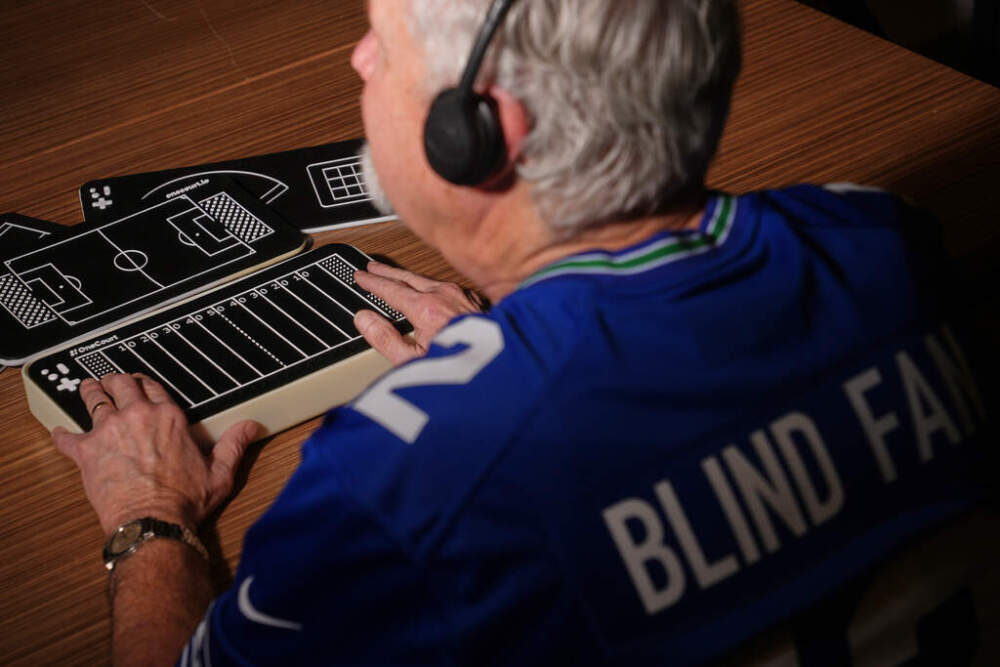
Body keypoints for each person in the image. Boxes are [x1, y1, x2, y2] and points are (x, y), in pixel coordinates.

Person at [53, 0, 997, 664]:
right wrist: (522, 351)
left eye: (382, 38)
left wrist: (151, 518)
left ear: (475, 131)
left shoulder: (394, 480)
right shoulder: (878, 238)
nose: (358, 61)